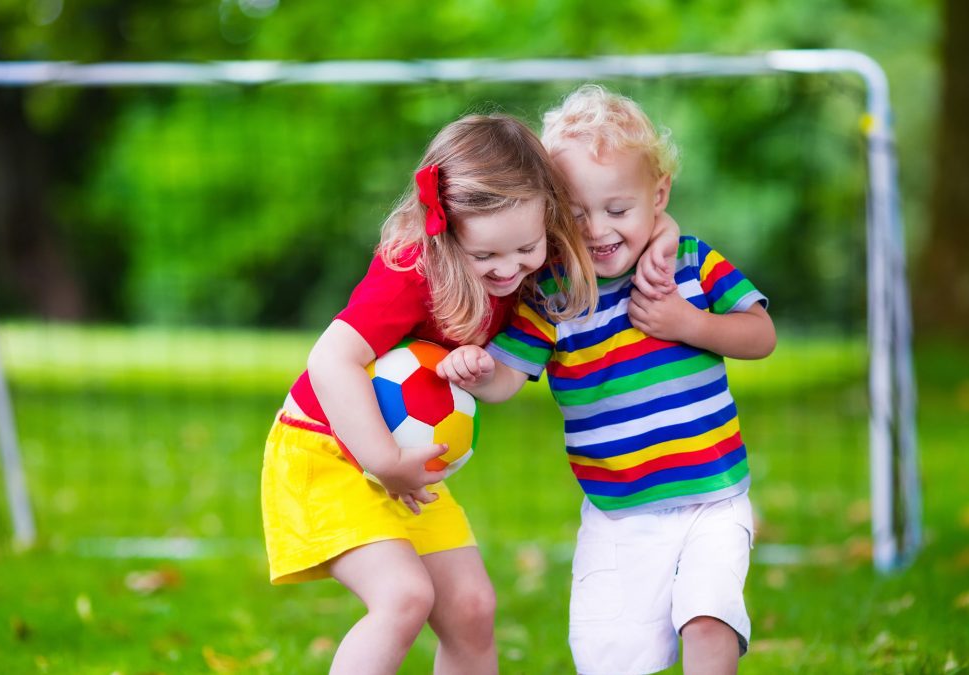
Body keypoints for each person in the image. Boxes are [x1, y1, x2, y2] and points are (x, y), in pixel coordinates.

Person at [262, 112, 678, 675]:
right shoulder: (411, 270)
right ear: (446, 230)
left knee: (472, 608)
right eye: (485, 258)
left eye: (525, 249)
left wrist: (667, 236)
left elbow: (631, 216)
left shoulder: (536, 249)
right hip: (328, 451)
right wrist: (384, 462)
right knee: (404, 597)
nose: (509, 270)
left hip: (405, 460)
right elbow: (330, 359)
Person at [437, 85, 777, 675]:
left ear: (659, 195)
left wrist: (689, 323)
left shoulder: (691, 263)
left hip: (714, 499)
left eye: (617, 210)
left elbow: (760, 335)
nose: (596, 229)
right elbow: (508, 379)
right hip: (618, 509)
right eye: (573, 214)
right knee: (608, 656)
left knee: (709, 618)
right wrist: (477, 370)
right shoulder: (555, 294)